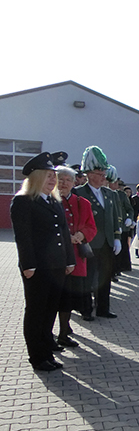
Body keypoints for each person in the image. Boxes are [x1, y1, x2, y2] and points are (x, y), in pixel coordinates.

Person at [11, 152, 75, 371]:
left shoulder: (54, 201)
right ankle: (37, 357)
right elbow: (23, 236)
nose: (53, 181)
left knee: (50, 309)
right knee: (36, 311)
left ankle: (47, 350)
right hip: (37, 268)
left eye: (53, 176)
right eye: (48, 176)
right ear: (36, 178)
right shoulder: (23, 201)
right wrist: (27, 264)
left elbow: (64, 233)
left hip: (57, 265)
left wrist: (69, 259)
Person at [75, 146, 122, 320]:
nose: (104, 177)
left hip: (107, 242)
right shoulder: (79, 193)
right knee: (87, 278)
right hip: (89, 242)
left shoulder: (110, 194)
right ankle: (86, 310)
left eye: (104, 173)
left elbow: (115, 217)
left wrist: (117, 238)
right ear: (90, 174)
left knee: (105, 278)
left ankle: (103, 308)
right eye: (100, 173)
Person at [56, 165, 97, 348]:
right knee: (54, 297)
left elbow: (91, 226)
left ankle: (64, 331)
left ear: (74, 183)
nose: (64, 183)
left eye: (68, 180)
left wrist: (81, 235)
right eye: (60, 179)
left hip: (76, 258)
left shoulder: (83, 203)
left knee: (69, 298)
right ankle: (55, 332)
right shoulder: (49, 201)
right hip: (54, 258)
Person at [107, 166, 134, 276]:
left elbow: (130, 209)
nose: (117, 185)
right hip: (110, 226)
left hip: (121, 226)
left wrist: (129, 218)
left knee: (121, 249)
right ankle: (112, 271)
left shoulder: (122, 195)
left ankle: (118, 269)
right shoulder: (106, 193)